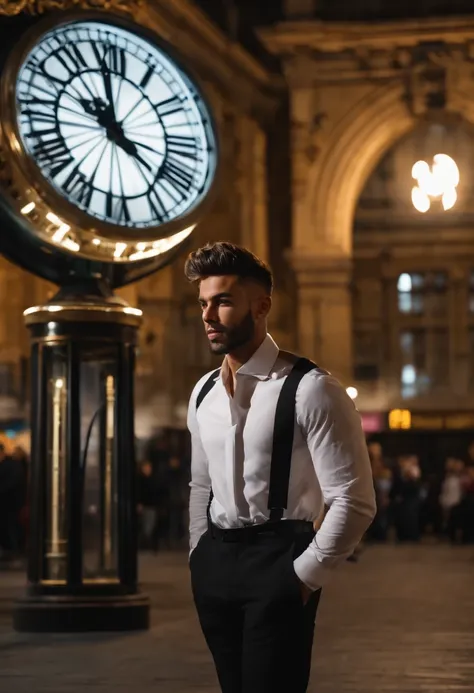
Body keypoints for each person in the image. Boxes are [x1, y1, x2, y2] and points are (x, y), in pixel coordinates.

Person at [185, 242, 376, 693]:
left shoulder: (313, 389)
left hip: (280, 559)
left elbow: (355, 500)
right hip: (217, 562)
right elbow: (199, 483)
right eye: (203, 303)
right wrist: (199, 555)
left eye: (224, 301)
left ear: (262, 305)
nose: (209, 315)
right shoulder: (203, 393)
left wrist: (303, 577)